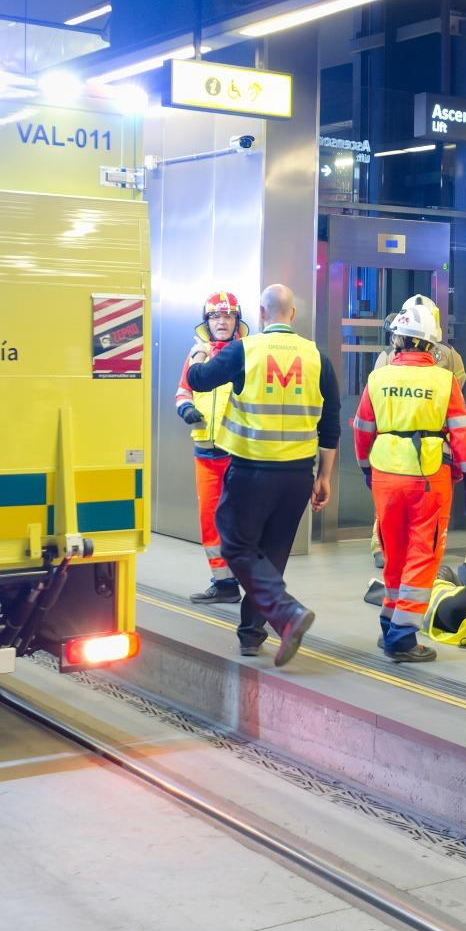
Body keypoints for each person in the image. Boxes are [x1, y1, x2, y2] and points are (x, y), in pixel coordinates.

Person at [187, 284, 338, 666]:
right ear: (292, 314)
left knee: (237, 545)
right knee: (270, 555)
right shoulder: (317, 356)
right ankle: (252, 635)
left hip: (252, 470)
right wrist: (324, 478)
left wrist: (201, 353)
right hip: (298, 475)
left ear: (262, 312)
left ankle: (286, 613)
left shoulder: (245, 350)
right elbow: (331, 424)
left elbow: (199, 381)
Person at [353, 303, 466, 663]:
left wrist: (366, 468)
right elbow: (461, 431)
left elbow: (363, 428)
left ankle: (389, 622)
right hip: (428, 479)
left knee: (394, 552)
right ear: (431, 345)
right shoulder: (444, 380)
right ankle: (403, 637)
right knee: (422, 555)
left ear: (399, 340)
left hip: (385, 476)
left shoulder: (378, 378)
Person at [367, 294, 465, 582]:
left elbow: (457, 384)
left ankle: (413, 555)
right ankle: (382, 545)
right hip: (398, 442)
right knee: (393, 507)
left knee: (420, 507)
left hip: (431, 442)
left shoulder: (447, 354)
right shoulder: (387, 356)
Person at [174, 290, 250, 604]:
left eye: (228, 315)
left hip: (238, 454)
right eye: (215, 316)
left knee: (240, 522)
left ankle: (253, 585)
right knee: (210, 521)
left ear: (237, 320)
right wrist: (186, 410)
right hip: (205, 454)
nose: (222, 321)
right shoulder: (197, 353)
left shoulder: (247, 354)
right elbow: (182, 392)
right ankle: (224, 584)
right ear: (207, 321)